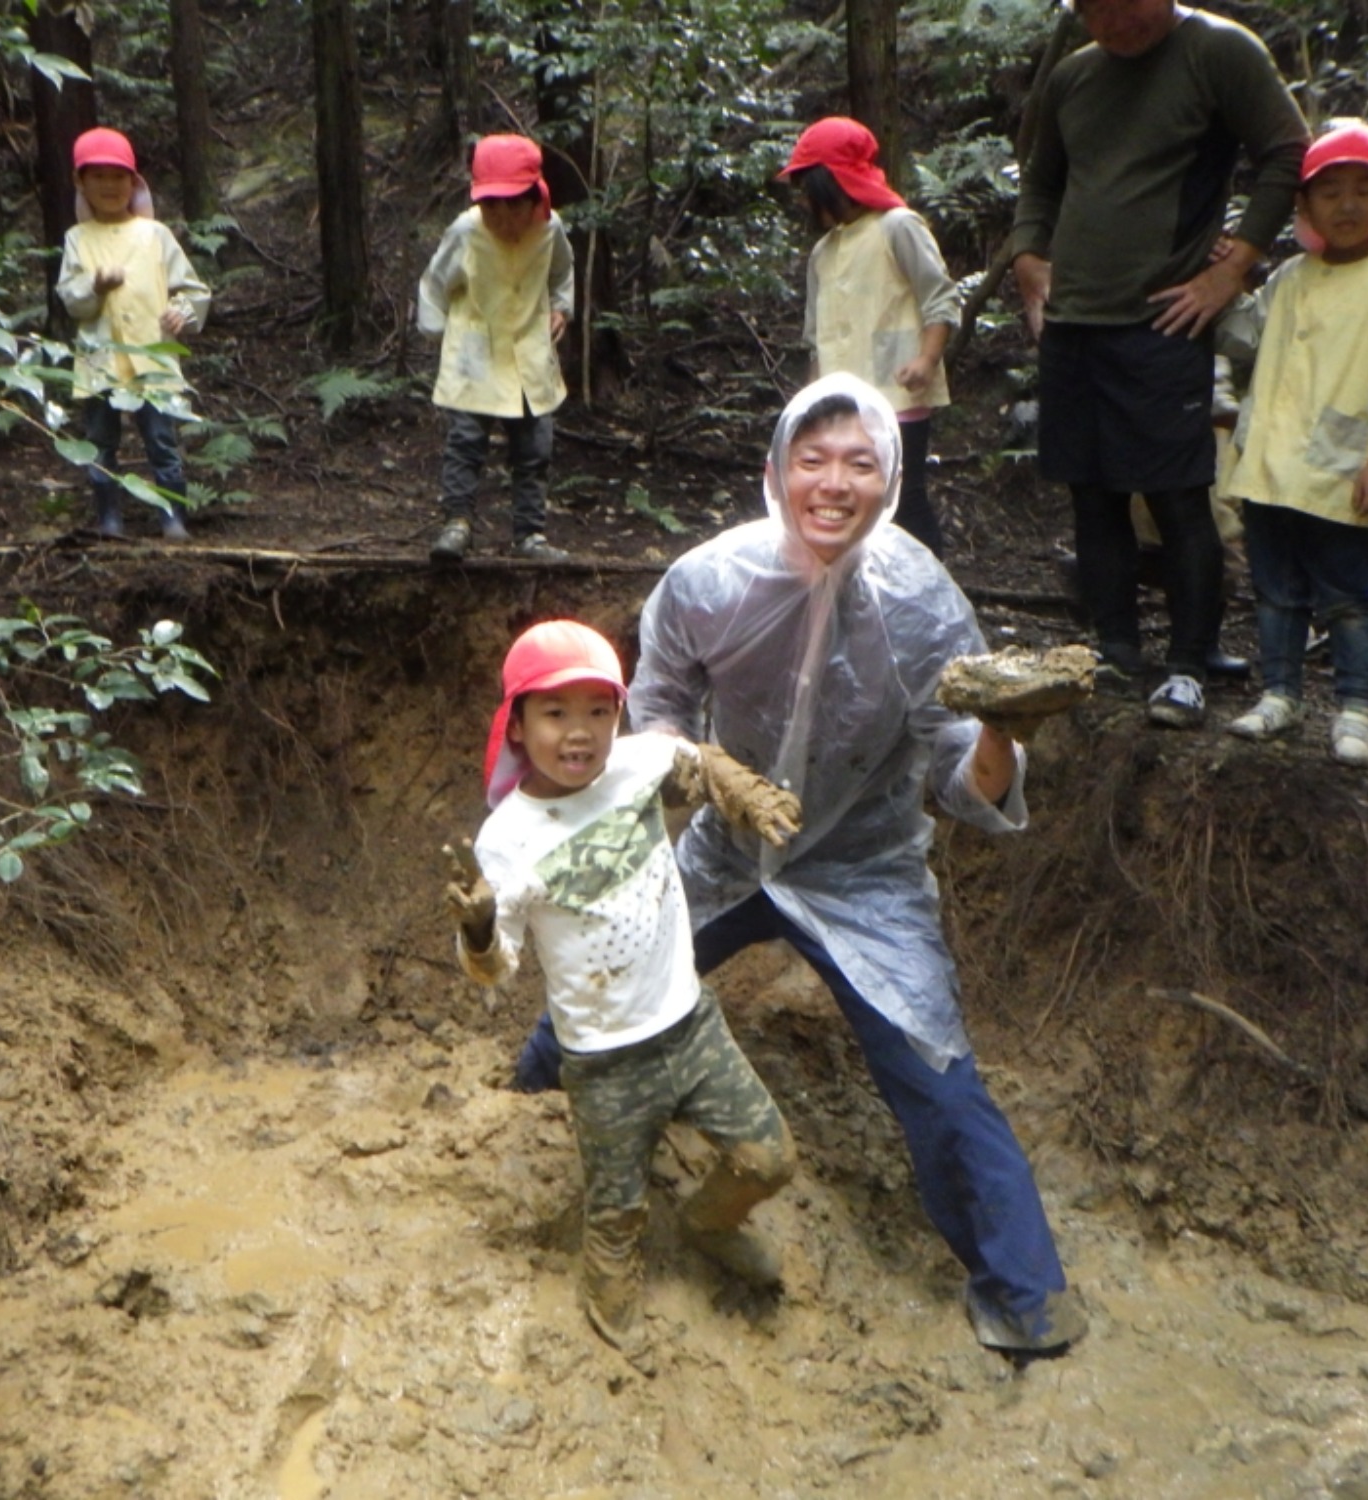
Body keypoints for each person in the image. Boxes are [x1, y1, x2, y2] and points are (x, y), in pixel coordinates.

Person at [515, 373, 1087, 1355]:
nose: (832, 483)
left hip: (863, 874)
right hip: (728, 849)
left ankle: (1026, 1297)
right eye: (810, 460)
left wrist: (1001, 735)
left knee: (937, 1074)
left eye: (859, 463)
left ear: (890, 480)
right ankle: (525, 1106)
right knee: (606, 976)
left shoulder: (920, 607)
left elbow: (964, 779)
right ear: (773, 470)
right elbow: (652, 712)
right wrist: (710, 773)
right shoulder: (707, 584)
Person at [444, 620, 803, 1367]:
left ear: (619, 712)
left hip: (691, 1025)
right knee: (617, 1210)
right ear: (516, 723)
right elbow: (500, 968)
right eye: (555, 713)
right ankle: (609, 1289)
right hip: (603, 1059)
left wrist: (748, 794)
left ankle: (708, 1224)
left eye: (598, 711)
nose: (579, 734)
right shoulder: (507, 839)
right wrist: (478, 935)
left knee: (767, 1159)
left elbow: (693, 761)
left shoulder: (637, 766)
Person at [1012, 0, 1309, 727]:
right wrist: (1028, 259)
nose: (1116, 22)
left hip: (1163, 317)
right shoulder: (1075, 77)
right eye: (1096, 10)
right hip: (1074, 320)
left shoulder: (1215, 51)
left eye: (1129, 5)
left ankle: (1187, 662)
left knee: (1178, 495)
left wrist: (1236, 264)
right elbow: (1042, 180)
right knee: (1091, 491)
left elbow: (1287, 151)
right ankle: (1114, 650)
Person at [1219, 122, 1368, 766]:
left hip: (1343, 468)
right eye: (1330, 191)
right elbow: (1244, 338)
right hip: (1270, 466)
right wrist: (1223, 281)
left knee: (1345, 594)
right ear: (1305, 207)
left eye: (1364, 191)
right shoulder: (1289, 276)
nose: (1346, 206)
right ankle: (1280, 694)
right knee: (1277, 589)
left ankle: (1356, 708)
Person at [782, 117, 961, 555]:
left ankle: (927, 594)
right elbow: (816, 336)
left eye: (810, 187)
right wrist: (810, 400)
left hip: (896, 395)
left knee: (903, 500)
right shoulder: (824, 252)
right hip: (840, 402)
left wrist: (927, 358)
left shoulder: (898, 227)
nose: (806, 200)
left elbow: (940, 298)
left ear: (831, 182)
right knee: (850, 505)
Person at [418, 134, 576, 564]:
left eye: (514, 206)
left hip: (528, 351)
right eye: (492, 207)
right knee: (466, 441)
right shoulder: (467, 231)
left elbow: (562, 271)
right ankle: (457, 524)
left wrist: (561, 308)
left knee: (533, 448)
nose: (503, 217)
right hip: (475, 349)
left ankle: (530, 535)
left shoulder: (550, 229)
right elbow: (435, 283)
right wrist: (438, 336)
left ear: (533, 198)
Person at [53, 127, 212, 542]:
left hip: (152, 360)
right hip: (99, 362)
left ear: (134, 182)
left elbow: (193, 290)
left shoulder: (154, 235)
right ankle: (109, 519)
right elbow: (72, 300)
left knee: (162, 441)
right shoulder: (77, 239)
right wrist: (96, 287)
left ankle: (172, 518)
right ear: (81, 181)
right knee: (101, 443)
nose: (109, 186)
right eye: (99, 176)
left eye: (118, 176)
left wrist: (181, 313)